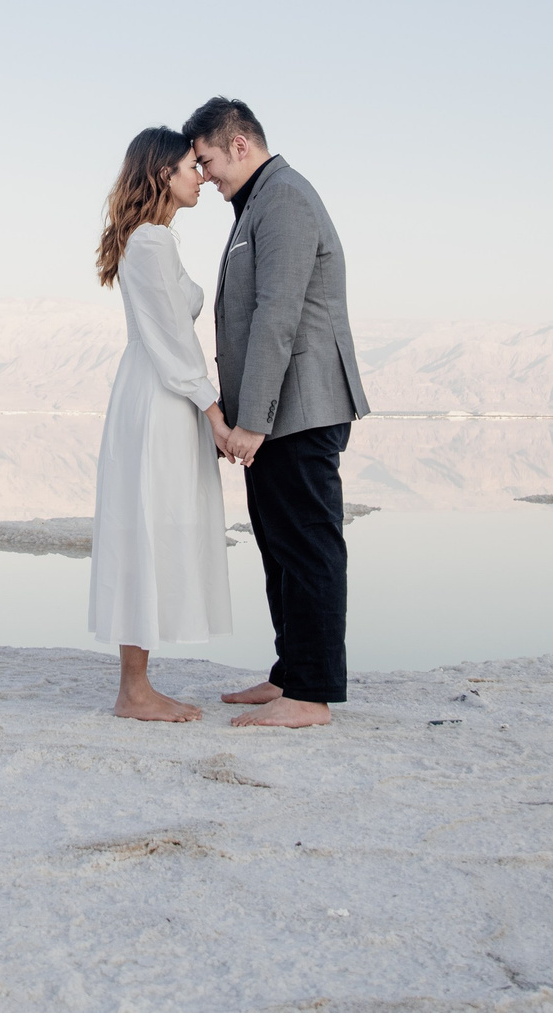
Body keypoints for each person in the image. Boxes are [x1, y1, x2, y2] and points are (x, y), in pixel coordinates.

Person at [184, 96, 369, 729]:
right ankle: (290, 674)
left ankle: (311, 695)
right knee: (279, 545)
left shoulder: (283, 197)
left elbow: (277, 317)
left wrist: (251, 421)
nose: (204, 176)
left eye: (206, 161)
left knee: (309, 546)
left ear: (239, 144)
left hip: (299, 408)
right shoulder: (256, 203)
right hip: (275, 411)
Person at [88, 125, 234, 721]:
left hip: (158, 391)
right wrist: (215, 412)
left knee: (149, 526)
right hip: (160, 396)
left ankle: (137, 684)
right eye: (188, 166)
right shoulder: (150, 243)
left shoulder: (153, 240)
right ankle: (134, 689)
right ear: (161, 175)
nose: (199, 174)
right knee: (146, 527)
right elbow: (174, 339)